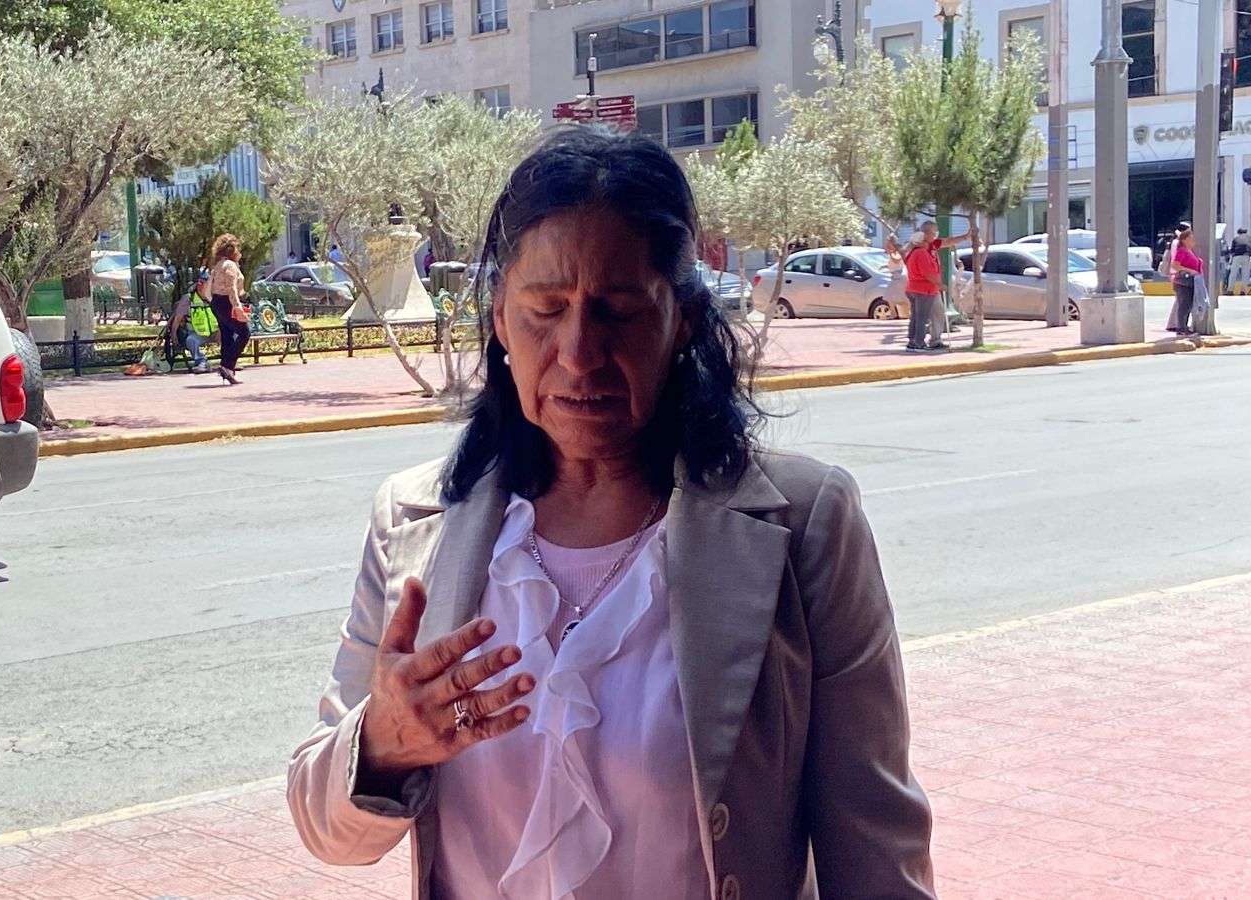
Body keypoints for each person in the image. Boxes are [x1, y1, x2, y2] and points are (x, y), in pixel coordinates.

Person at [287, 127, 935, 899]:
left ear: (681, 318)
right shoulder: (415, 523)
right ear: (500, 321)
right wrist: (383, 745)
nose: (579, 352)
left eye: (618, 310)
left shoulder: (801, 527)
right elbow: (325, 829)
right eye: (545, 309)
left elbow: (875, 845)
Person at [903, 222, 972, 352]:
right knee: (921, 317)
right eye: (934, 233)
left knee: (931, 314)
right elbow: (927, 272)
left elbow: (947, 242)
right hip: (924, 289)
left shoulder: (927, 247)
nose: (936, 236)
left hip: (926, 289)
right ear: (924, 236)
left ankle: (930, 341)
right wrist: (940, 284)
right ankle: (917, 343)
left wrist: (965, 237)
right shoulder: (921, 253)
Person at [208, 234, 250, 384]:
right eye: (237, 249)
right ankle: (227, 365)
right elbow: (231, 288)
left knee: (227, 334)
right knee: (244, 333)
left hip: (217, 302)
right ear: (232, 250)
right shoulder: (230, 265)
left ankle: (227, 369)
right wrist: (237, 307)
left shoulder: (219, 265)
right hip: (227, 302)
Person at [166, 275, 212, 374]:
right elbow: (178, 318)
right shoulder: (188, 299)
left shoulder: (214, 297)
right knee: (191, 340)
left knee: (233, 335)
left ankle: (229, 362)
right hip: (197, 333)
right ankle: (201, 362)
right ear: (199, 285)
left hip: (215, 331)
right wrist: (173, 334)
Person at [1169, 225, 1205, 337]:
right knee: (1184, 305)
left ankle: (1184, 327)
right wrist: (1190, 270)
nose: (1193, 240)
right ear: (1184, 240)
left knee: (1188, 305)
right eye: (1190, 237)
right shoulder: (1182, 251)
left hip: (1190, 282)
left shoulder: (1189, 251)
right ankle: (1181, 328)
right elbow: (1175, 265)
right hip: (1183, 282)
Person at [1227, 228, 1251, 295]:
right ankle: (1243, 291)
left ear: (1239, 233)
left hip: (1236, 256)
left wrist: (1230, 259)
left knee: (1233, 273)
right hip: (1246, 256)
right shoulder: (1249, 238)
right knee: (1245, 274)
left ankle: (1230, 290)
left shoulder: (1236, 238)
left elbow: (1232, 250)